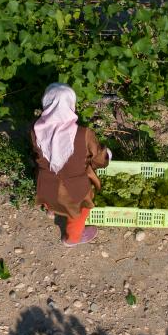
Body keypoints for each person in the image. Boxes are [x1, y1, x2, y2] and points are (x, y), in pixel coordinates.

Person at [31, 83, 112, 247]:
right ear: (71, 105)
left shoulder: (36, 129)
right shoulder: (83, 134)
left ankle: (52, 209)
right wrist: (106, 157)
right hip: (73, 190)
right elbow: (97, 159)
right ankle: (72, 238)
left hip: (45, 184)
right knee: (80, 212)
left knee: (52, 192)